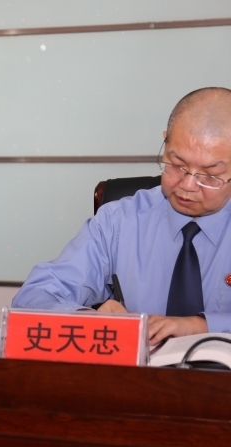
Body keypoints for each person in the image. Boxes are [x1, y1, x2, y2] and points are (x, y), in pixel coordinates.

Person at [12, 87, 231, 344]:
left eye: (210, 175)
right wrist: (87, 318)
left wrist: (201, 326)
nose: (188, 185)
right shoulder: (119, 221)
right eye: (177, 165)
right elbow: (33, 298)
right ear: (165, 142)